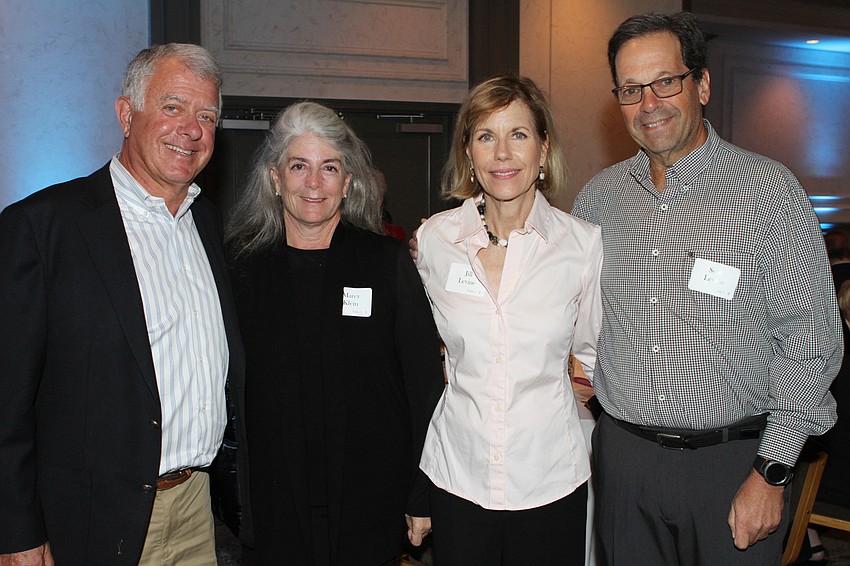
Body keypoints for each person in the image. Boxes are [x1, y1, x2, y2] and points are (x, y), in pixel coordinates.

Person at [571, 12, 841, 566]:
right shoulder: (599, 201)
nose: (649, 103)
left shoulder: (768, 192)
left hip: (733, 466)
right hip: (624, 464)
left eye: (666, 81)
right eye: (630, 89)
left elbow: (808, 339)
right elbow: (575, 317)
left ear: (703, 84)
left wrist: (772, 470)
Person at [0, 44, 244, 565]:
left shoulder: (207, 225)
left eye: (206, 116)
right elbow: (7, 400)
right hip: (91, 518)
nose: (192, 129)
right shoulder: (44, 228)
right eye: (173, 107)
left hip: (197, 510)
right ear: (126, 113)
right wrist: (16, 530)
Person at [225, 101, 445, 565]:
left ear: (347, 183)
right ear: (274, 177)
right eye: (298, 166)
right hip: (272, 507)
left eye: (329, 168)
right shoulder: (239, 270)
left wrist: (420, 491)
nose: (313, 183)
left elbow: (423, 386)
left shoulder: (386, 264)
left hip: (369, 502)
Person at [414, 75, 603, 565]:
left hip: (550, 476)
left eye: (518, 135)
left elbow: (593, 358)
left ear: (543, 150)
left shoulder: (581, 246)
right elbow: (417, 354)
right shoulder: (435, 241)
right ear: (469, 154)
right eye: (486, 136)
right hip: (458, 473)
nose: (503, 153)